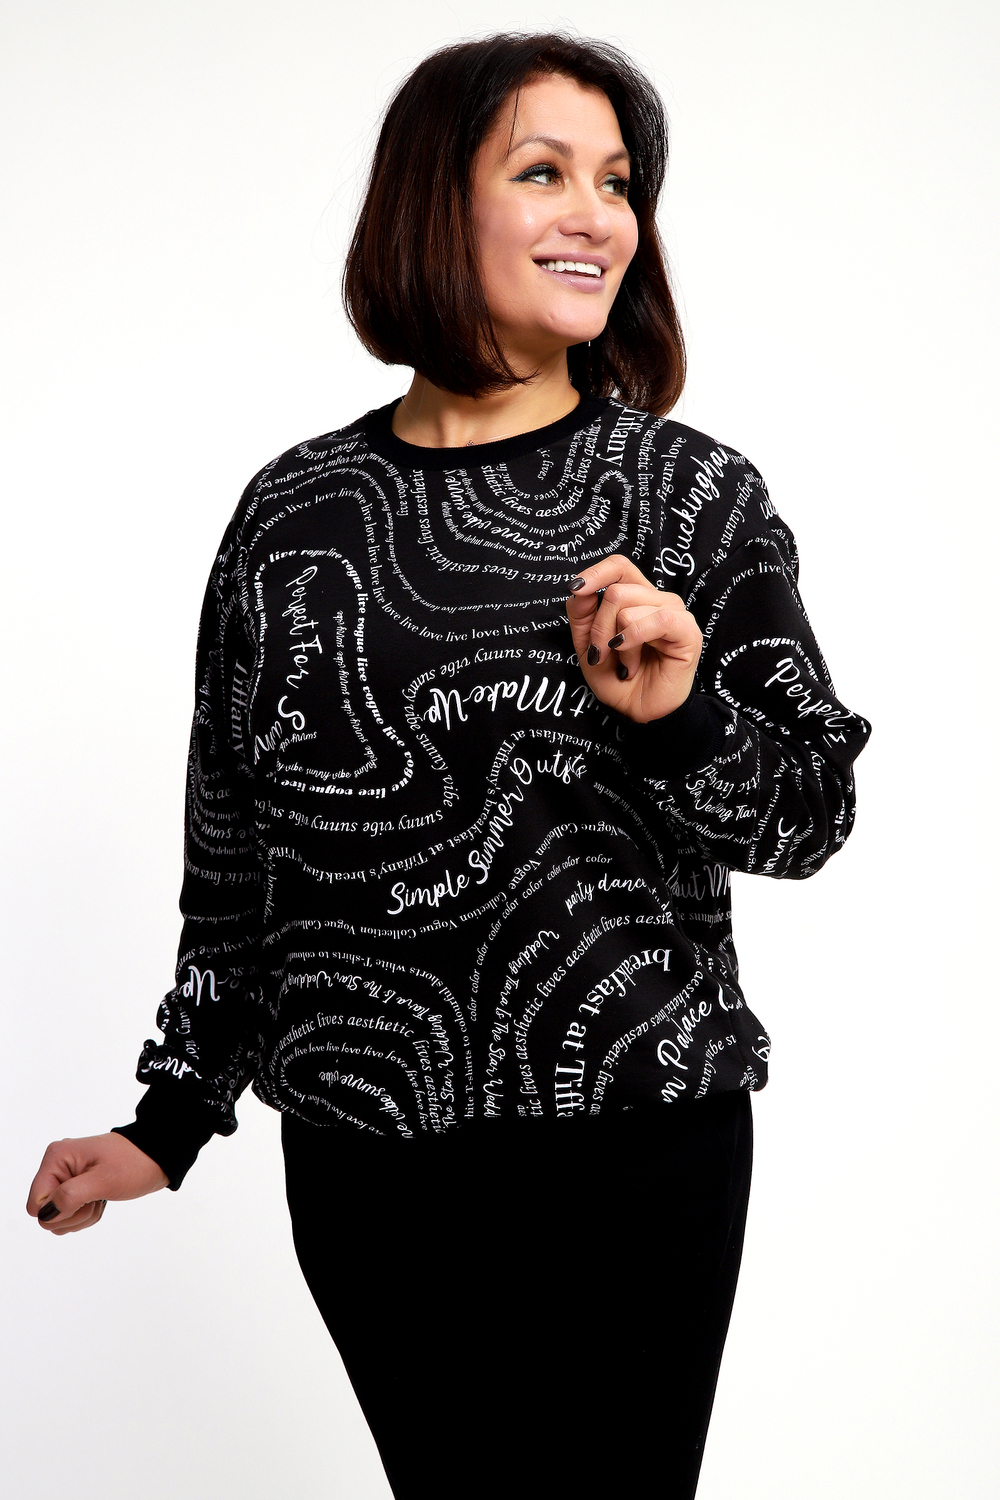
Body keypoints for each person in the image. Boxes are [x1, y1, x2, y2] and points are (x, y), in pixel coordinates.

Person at [27, 32, 870, 1499]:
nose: (597, 215)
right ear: (433, 203)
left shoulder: (688, 496)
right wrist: (167, 1122)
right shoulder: (293, 514)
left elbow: (811, 814)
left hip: (630, 1143)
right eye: (544, 172)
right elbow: (237, 856)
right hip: (367, 1160)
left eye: (619, 182)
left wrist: (680, 714)